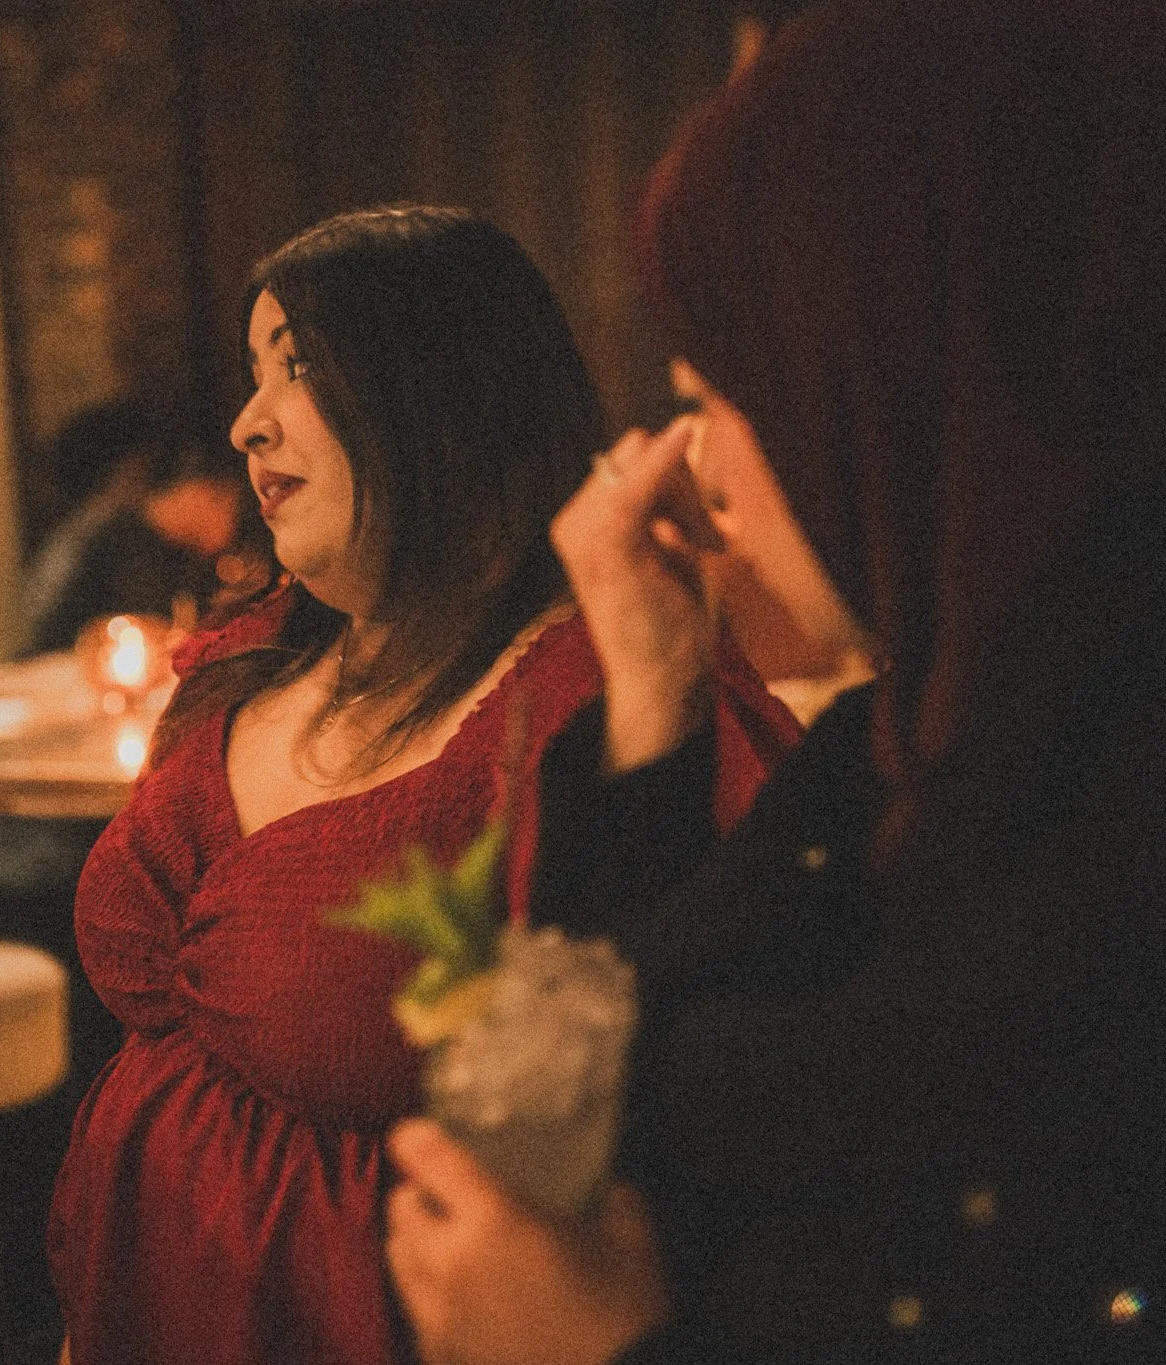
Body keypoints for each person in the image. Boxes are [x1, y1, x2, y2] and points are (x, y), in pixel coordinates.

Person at [385, 1, 1166, 1360]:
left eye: (720, 393)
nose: (700, 467)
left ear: (914, 373)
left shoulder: (1100, 866)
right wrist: (650, 686)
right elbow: (603, 1060)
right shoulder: (907, 738)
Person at [46, 205, 797, 1365]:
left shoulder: (593, 688)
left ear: (439, 397)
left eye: (296, 371)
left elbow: (704, 1079)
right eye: (253, 377)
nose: (247, 424)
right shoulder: (256, 655)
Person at [22, 401, 253, 655]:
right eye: (229, 503)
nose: (233, 526)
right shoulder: (119, 545)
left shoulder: (171, 550)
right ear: (205, 490)